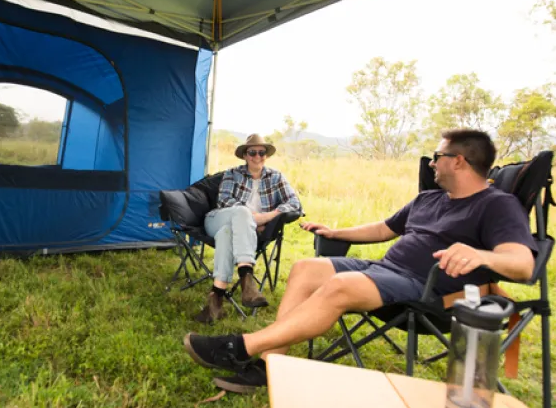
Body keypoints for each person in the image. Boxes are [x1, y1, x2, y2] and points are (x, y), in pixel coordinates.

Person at [183, 129, 536, 394]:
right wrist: (337, 232)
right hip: (386, 270)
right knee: (306, 268)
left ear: (459, 160)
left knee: (339, 286)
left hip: (427, 291)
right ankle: (270, 366)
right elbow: (384, 228)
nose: (431, 162)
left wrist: (479, 254)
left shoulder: (496, 205)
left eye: (437, 155)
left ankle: (242, 346)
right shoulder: (430, 198)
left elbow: (522, 264)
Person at [194, 133, 302, 324]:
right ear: (245, 155)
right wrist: (253, 219)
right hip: (218, 219)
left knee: (226, 235)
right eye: (252, 152)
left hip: (237, 231)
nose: (257, 156)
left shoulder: (276, 177)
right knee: (241, 212)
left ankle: (216, 300)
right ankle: (247, 278)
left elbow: (294, 203)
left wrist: (267, 217)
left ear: (266, 155)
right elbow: (225, 200)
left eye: (261, 153)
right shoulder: (232, 174)